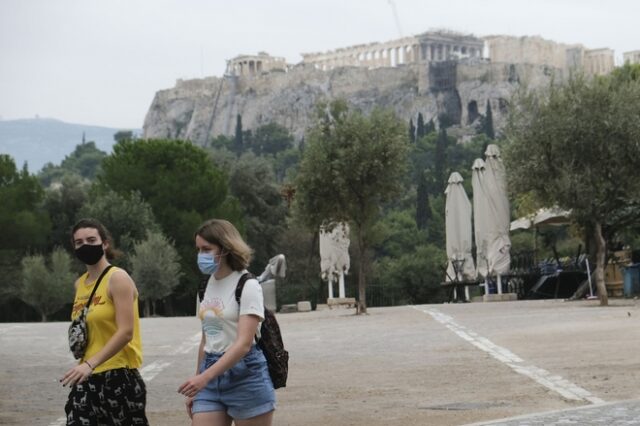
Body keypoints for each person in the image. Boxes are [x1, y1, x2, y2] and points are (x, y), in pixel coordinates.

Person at [178, 218, 275, 426]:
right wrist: (198, 382)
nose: (200, 255)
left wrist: (203, 378)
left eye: (206, 249)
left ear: (225, 249)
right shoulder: (204, 286)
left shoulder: (248, 285)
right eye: (198, 249)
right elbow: (207, 339)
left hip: (246, 375)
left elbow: (243, 344)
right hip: (210, 373)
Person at [61, 218, 148, 426]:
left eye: (91, 239)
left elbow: (126, 331)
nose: (85, 246)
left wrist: (90, 364)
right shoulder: (79, 284)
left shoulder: (118, 278)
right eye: (79, 242)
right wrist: (86, 365)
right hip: (85, 377)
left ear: (105, 243)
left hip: (119, 376)